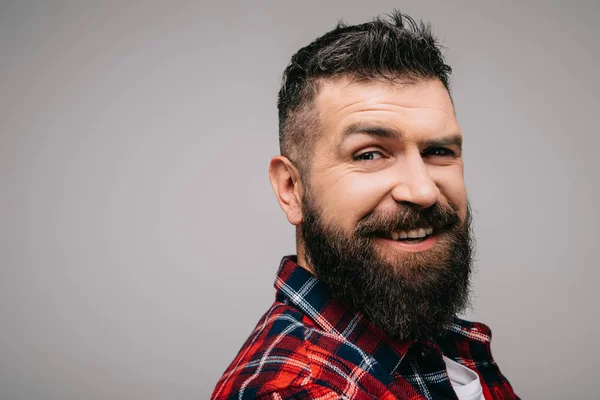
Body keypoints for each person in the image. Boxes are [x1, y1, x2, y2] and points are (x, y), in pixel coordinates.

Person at [211, 11, 518, 400]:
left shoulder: (435, 347)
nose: (423, 190)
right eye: (370, 155)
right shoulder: (300, 392)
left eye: (439, 151)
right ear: (291, 188)